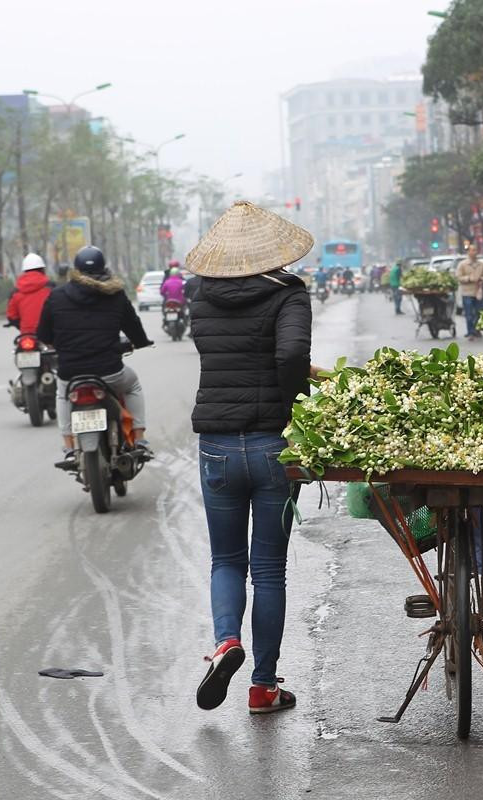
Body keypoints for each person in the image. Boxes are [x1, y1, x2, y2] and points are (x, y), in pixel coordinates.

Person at [187, 201, 323, 715]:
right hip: (272, 444)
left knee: (226, 559)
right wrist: (294, 405)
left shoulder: (201, 296)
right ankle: (263, 687)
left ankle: (226, 642)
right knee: (268, 569)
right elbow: (290, 357)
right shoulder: (289, 295)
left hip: (217, 445)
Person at [38, 246, 153, 467]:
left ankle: (70, 447)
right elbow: (133, 326)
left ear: (76, 269)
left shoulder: (56, 296)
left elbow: (44, 334)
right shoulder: (116, 295)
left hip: (71, 373)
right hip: (109, 372)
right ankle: (139, 440)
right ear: (104, 267)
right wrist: (140, 342)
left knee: (62, 395)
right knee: (132, 385)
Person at [6, 253, 54, 334]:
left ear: (25, 271)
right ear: (42, 269)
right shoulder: (51, 288)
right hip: (48, 333)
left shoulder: (16, 291)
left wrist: (21, 326)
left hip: (26, 334)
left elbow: (11, 316)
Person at [456, 244, 483, 339]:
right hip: (467, 292)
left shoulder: (481, 265)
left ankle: (476, 329)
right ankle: (470, 331)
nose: (474, 252)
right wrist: (469, 278)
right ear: (468, 252)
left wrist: (481, 279)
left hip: (478, 292)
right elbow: (459, 277)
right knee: (469, 313)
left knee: (479, 313)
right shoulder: (462, 264)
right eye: (472, 250)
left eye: (475, 250)